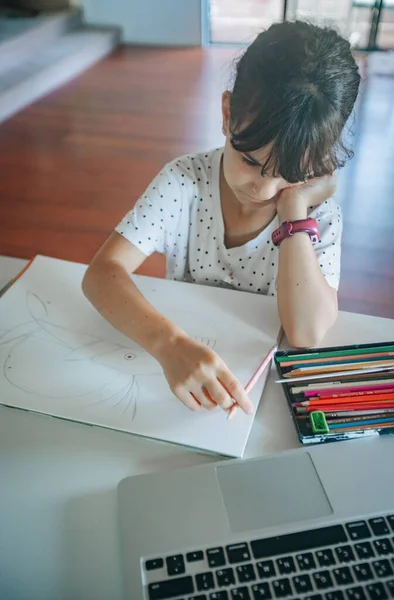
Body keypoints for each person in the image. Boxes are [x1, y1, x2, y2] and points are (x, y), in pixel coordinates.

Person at [82, 20, 361, 417]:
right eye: (249, 161)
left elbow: (306, 332)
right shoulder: (184, 181)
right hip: (175, 375)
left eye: (290, 174)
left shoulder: (317, 215)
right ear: (228, 113)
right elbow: (101, 273)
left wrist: (293, 212)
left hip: (256, 397)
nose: (264, 189)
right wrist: (168, 344)